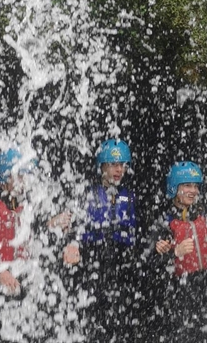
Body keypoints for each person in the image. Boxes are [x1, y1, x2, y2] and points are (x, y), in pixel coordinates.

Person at [0, 146, 72, 342]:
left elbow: (32, 234)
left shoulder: (25, 203)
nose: (27, 181)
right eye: (21, 176)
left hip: (19, 281)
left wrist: (52, 224)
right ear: (5, 177)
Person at [63, 139, 139, 343]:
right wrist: (73, 245)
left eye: (122, 165)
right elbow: (74, 226)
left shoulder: (129, 196)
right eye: (114, 164)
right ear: (102, 166)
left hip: (119, 264)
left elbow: (134, 235)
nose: (119, 169)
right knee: (93, 320)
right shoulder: (87, 193)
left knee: (121, 321)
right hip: (92, 262)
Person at [153, 161, 207, 343]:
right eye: (187, 185)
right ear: (174, 188)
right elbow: (151, 264)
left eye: (195, 186)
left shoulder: (205, 214)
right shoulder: (164, 221)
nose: (193, 191)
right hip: (180, 294)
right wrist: (174, 252)